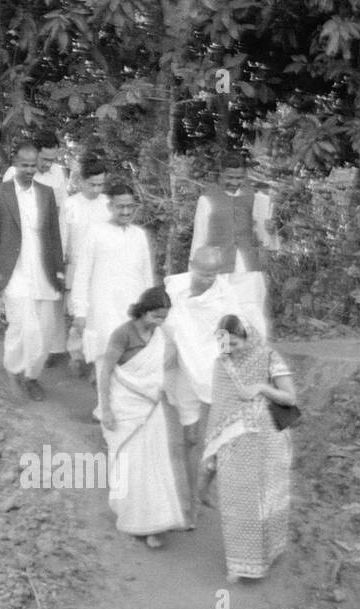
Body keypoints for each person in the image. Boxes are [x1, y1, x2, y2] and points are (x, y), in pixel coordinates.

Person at [164, 244, 269, 508]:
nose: (206, 280)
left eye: (212, 275)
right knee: (190, 437)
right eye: (201, 273)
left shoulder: (225, 296)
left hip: (214, 371)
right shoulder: (173, 290)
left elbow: (238, 331)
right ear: (191, 265)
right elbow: (163, 326)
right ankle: (188, 496)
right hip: (184, 369)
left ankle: (204, 487)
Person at [200, 314, 296, 582]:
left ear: (248, 336)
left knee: (267, 500)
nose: (230, 349)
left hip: (268, 442)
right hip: (233, 444)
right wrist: (212, 450)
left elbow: (289, 397)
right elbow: (219, 409)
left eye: (235, 343)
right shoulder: (222, 365)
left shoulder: (268, 357)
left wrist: (261, 387)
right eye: (225, 344)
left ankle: (269, 555)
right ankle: (241, 566)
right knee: (237, 504)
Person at [99, 286, 189, 549]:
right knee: (129, 463)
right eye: (156, 316)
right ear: (144, 311)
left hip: (151, 408)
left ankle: (155, 522)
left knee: (154, 463)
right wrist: (105, 409)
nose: (160, 322)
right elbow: (106, 373)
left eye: (164, 317)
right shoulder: (122, 334)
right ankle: (131, 516)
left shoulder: (160, 336)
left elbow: (163, 370)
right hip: (123, 406)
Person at [0, 140, 66, 397]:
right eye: (24, 165)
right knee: (21, 324)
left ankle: (32, 377)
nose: (30, 170)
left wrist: (60, 269)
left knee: (45, 328)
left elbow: (54, 235)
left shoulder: (45, 192)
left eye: (33, 165)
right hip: (13, 270)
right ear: (15, 164)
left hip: (43, 271)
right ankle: (12, 372)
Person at [69, 180, 155, 379]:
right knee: (105, 358)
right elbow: (82, 275)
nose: (125, 212)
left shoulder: (139, 235)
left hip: (133, 308)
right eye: (120, 206)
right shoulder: (96, 232)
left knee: (131, 358)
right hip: (103, 309)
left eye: (130, 207)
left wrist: (149, 309)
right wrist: (80, 311)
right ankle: (104, 407)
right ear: (110, 206)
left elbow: (146, 276)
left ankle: (122, 408)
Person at [190, 153, 273, 322]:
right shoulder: (207, 199)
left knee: (250, 310)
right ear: (220, 173)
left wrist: (271, 230)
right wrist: (195, 272)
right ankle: (223, 347)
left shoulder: (255, 197)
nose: (234, 182)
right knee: (220, 312)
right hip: (218, 267)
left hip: (248, 265)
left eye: (239, 178)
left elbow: (264, 234)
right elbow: (199, 238)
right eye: (230, 177)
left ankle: (249, 346)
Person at [60, 155, 111, 373]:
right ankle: (76, 355)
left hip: (102, 269)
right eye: (92, 184)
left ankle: (95, 357)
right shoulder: (70, 204)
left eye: (101, 184)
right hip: (76, 267)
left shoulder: (108, 205)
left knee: (98, 314)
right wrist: (62, 271)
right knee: (78, 316)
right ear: (82, 182)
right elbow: (63, 239)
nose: (97, 189)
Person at [4, 132, 69, 208]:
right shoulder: (14, 173)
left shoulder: (58, 172)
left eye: (52, 160)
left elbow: (62, 205)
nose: (48, 164)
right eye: (45, 159)